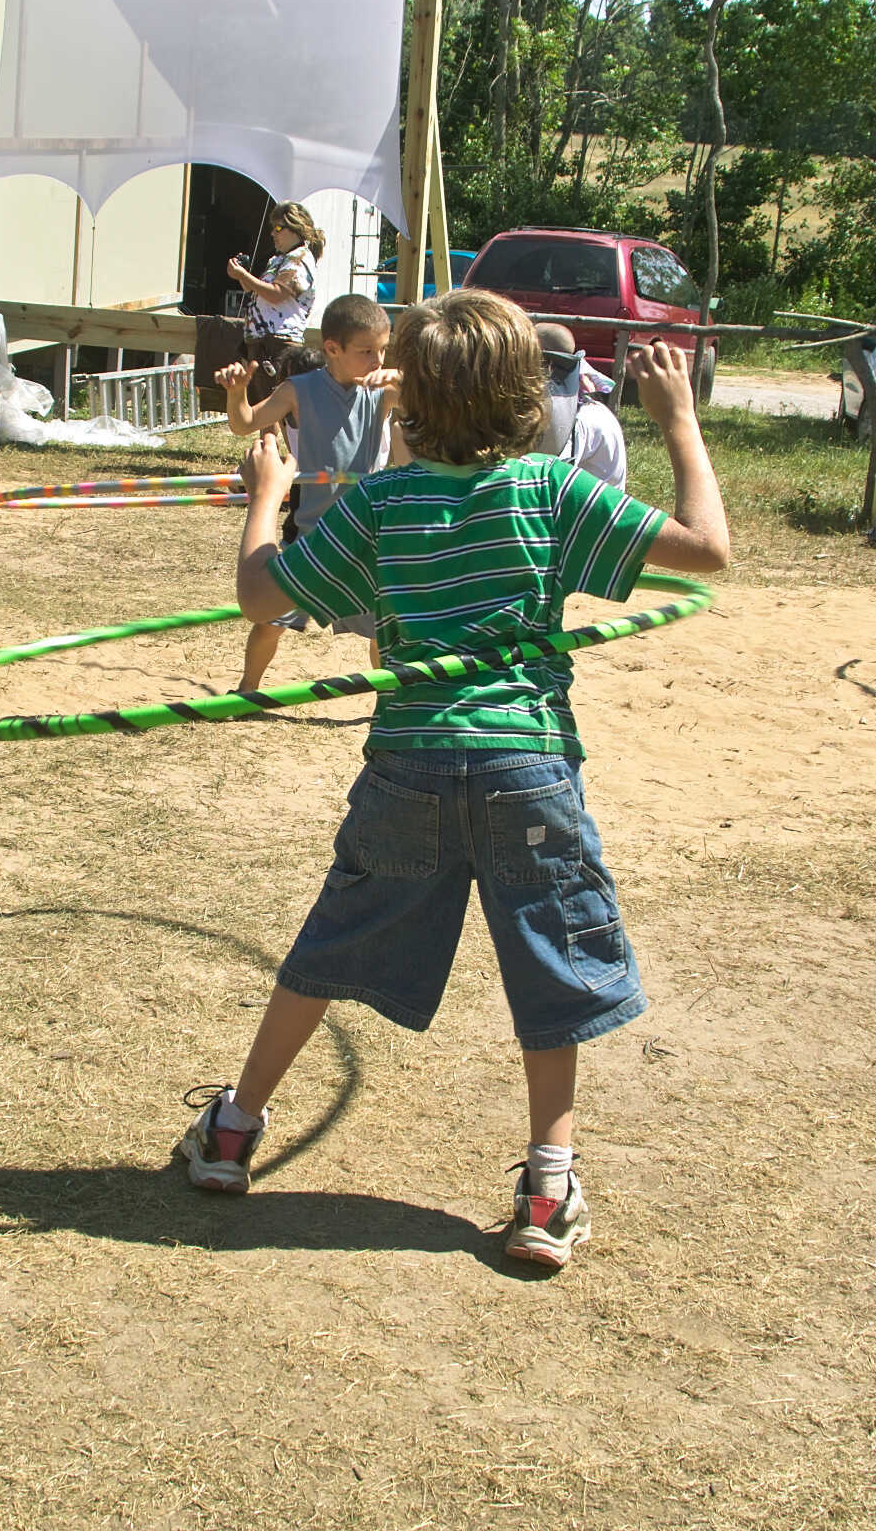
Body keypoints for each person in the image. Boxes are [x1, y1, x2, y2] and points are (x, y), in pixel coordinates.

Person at [172, 290, 732, 1270]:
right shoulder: (552, 490)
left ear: (408, 397)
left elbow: (261, 595)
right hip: (528, 766)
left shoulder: (382, 503)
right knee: (551, 963)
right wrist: (678, 421)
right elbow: (708, 550)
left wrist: (266, 495)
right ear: (527, 394)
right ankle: (547, 1187)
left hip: (412, 765)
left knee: (332, 941)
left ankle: (231, 1130)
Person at [217, 291, 393, 690]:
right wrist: (236, 394)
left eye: (384, 350)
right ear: (332, 349)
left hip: (363, 537)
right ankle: (247, 689)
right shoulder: (298, 389)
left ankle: (387, 703)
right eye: (367, 351)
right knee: (269, 622)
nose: (378, 361)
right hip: (310, 537)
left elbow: (428, 397)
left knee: (383, 631)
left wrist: (401, 380)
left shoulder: (382, 391)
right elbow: (244, 424)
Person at [224, 203, 325, 403]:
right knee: (262, 409)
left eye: (278, 228)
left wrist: (243, 275)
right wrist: (241, 275)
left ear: (296, 228)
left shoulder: (299, 258)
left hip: (278, 345)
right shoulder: (279, 259)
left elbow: (277, 294)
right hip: (263, 344)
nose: (273, 233)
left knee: (273, 411)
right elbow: (255, 290)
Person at [534, 321, 627, 488]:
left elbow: (543, 472)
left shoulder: (571, 415)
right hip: (601, 496)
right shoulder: (596, 411)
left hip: (587, 499)